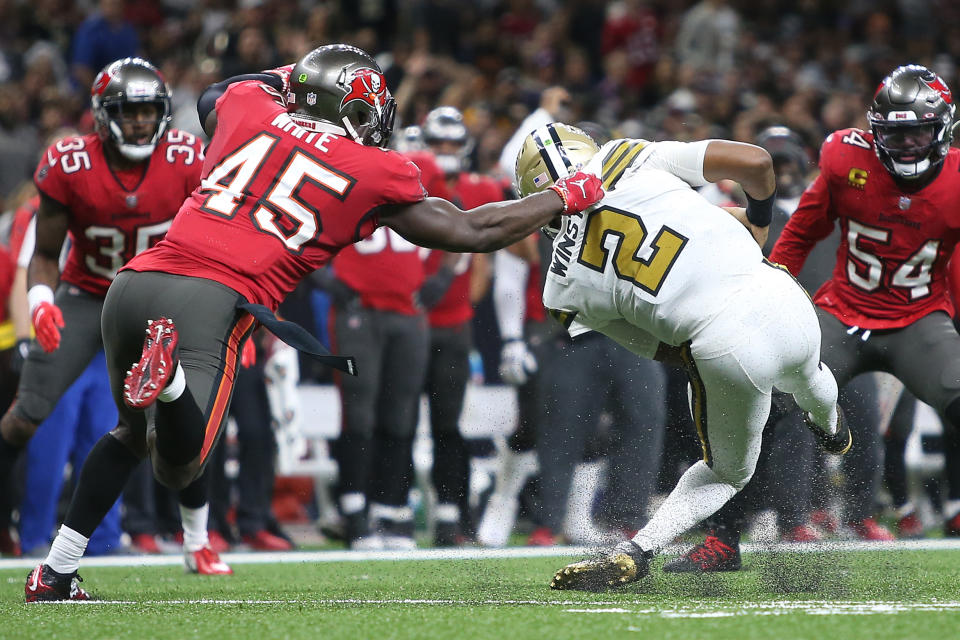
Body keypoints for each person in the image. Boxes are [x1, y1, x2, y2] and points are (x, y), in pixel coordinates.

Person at [25, 43, 602, 601]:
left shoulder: (250, 109)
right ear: (352, 110)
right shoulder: (377, 168)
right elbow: (475, 231)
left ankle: (54, 573)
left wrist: (298, 77)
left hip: (131, 286)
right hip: (213, 300)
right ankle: (172, 382)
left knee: (129, 434)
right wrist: (562, 196)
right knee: (181, 465)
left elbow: (219, 93)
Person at [508, 122, 848, 592]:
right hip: (781, 296)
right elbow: (757, 163)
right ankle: (831, 425)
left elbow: (660, 348)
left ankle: (637, 550)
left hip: (721, 344)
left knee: (727, 473)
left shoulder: (560, 291)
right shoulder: (625, 155)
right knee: (807, 372)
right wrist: (758, 225)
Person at [671, 64, 960, 571]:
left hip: (919, 320)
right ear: (876, 133)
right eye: (897, 134)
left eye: (918, 132)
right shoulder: (846, 158)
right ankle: (722, 540)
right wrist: (769, 290)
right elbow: (803, 231)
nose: (909, 145)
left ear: (942, 131)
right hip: (843, 313)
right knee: (760, 398)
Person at [4, 57, 234, 602]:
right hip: (87, 294)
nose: (139, 123)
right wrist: (40, 301)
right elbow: (44, 253)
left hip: (162, 295)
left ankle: (197, 540)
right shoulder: (68, 162)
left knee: (186, 417)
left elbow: (216, 239)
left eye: (149, 111)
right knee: (26, 413)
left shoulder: (184, 158)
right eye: (128, 112)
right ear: (103, 116)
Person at [418, 106, 496, 546]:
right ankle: (390, 515)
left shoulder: (477, 188)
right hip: (410, 321)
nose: (445, 152)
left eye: (452, 143)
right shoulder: (410, 184)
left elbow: (482, 265)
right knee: (399, 421)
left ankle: (453, 515)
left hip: (453, 324)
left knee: (449, 424)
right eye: (437, 144)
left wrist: (461, 303)